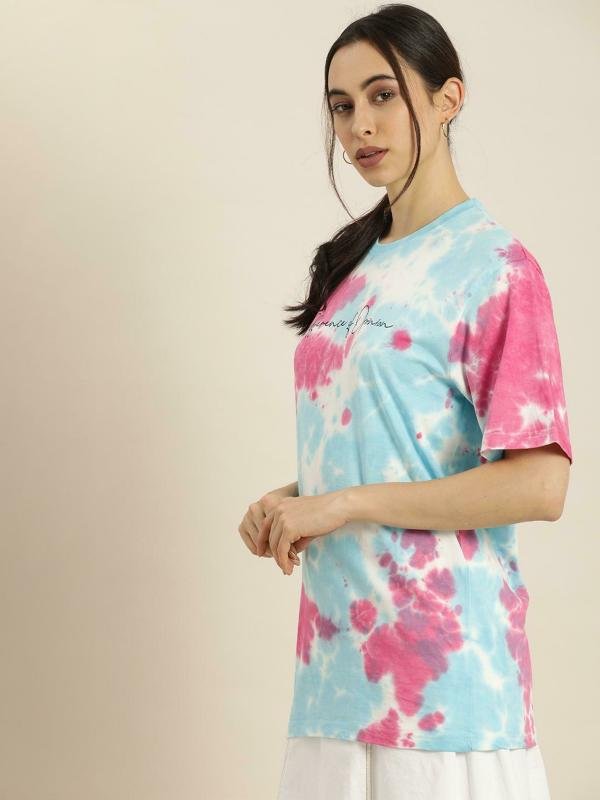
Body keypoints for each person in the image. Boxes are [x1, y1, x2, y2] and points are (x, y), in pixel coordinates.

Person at [237, 4, 572, 798]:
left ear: (448, 98)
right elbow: (395, 443)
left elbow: (540, 482)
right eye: (342, 105)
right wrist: (295, 500)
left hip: (445, 688)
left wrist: (343, 504)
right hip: (334, 677)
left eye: (383, 95)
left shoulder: (496, 267)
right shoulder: (348, 267)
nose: (359, 125)